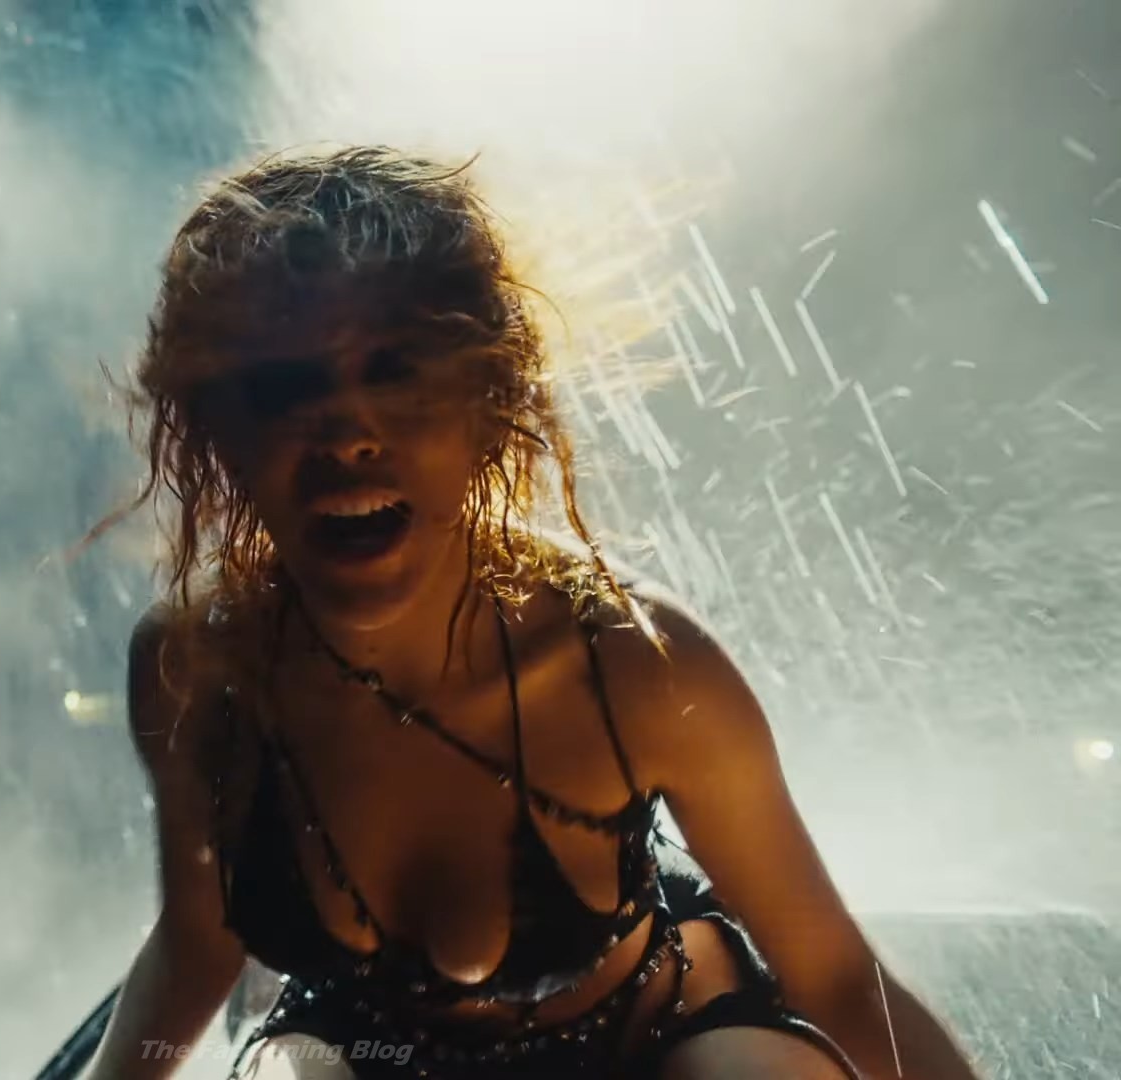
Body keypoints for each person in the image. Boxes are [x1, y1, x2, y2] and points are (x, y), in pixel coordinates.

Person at [79, 147, 983, 1079]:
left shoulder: (636, 665)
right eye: (284, 386)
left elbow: (836, 978)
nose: (347, 434)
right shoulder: (199, 673)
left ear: (490, 405)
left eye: (397, 374)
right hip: (365, 1050)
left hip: (660, 1031)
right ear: (217, 433)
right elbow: (197, 944)